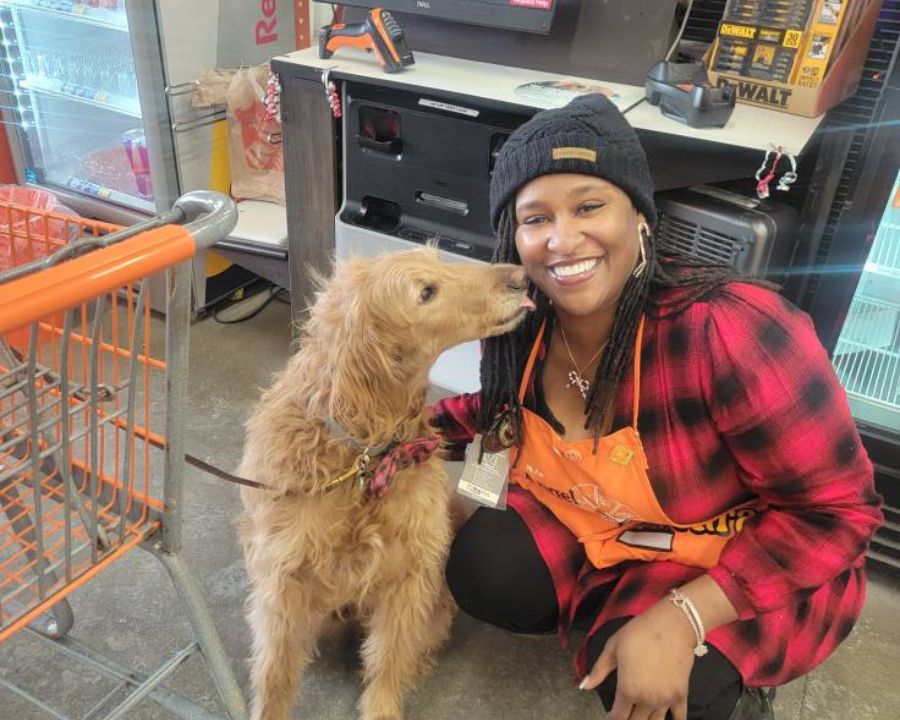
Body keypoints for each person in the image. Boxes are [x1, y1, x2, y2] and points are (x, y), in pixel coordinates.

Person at [432, 95, 883, 720]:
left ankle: (728, 677)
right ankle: (613, 615)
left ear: (640, 217)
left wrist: (686, 614)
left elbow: (837, 513)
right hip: (607, 527)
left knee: (674, 693)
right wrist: (390, 435)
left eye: (589, 206)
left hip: (731, 550)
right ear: (514, 237)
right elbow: (499, 412)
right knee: (483, 570)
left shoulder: (729, 329)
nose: (562, 240)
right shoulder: (522, 325)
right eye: (536, 218)